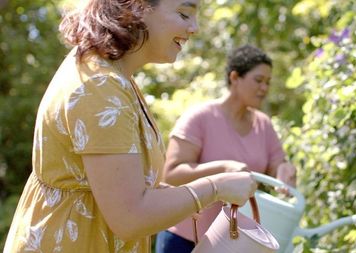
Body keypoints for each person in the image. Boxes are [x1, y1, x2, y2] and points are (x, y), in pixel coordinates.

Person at [3, 0, 257, 252]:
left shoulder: (113, 76)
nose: (195, 28)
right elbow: (130, 217)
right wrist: (216, 187)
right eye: (184, 13)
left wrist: (173, 198)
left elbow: (112, 185)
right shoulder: (100, 87)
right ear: (136, 8)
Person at [155, 45, 297, 253]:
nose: (265, 88)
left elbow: (278, 165)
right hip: (184, 238)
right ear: (234, 78)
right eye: (258, 80)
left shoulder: (263, 125)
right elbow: (172, 174)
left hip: (231, 243)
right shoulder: (200, 117)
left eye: (268, 82)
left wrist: (285, 171)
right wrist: (224, 168)